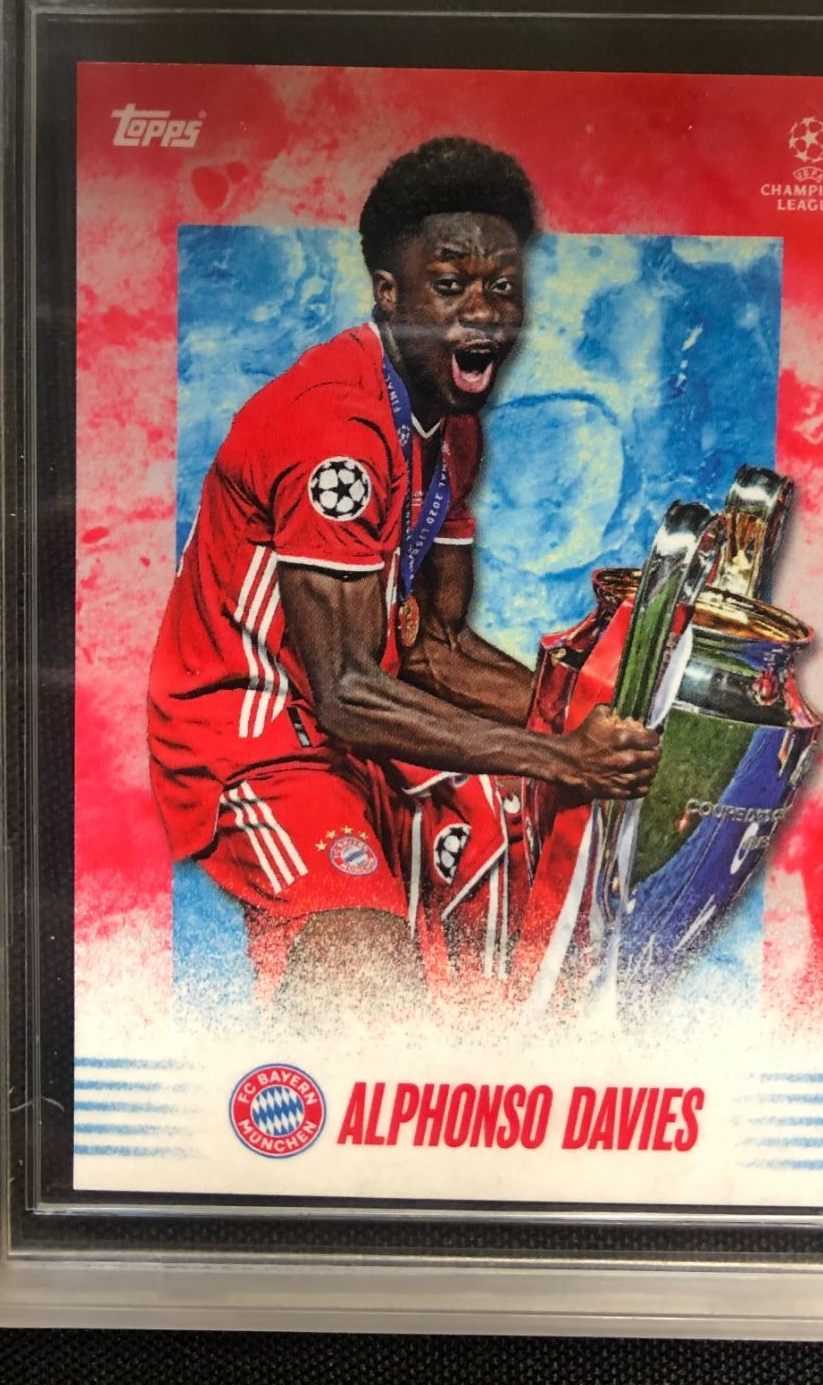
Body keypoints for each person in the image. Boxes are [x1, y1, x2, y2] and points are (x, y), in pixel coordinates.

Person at [147, 135, 660, 1015]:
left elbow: (436, 647)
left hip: (359, 725)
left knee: (523, 859)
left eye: (503, 287)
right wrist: (560, 751)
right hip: (254, 736)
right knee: (368, 963)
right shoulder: (335, 431)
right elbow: (348, 690)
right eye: (450, 285)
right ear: (389, 293)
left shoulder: (453, 430)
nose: (483, 313)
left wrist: (607, 718)